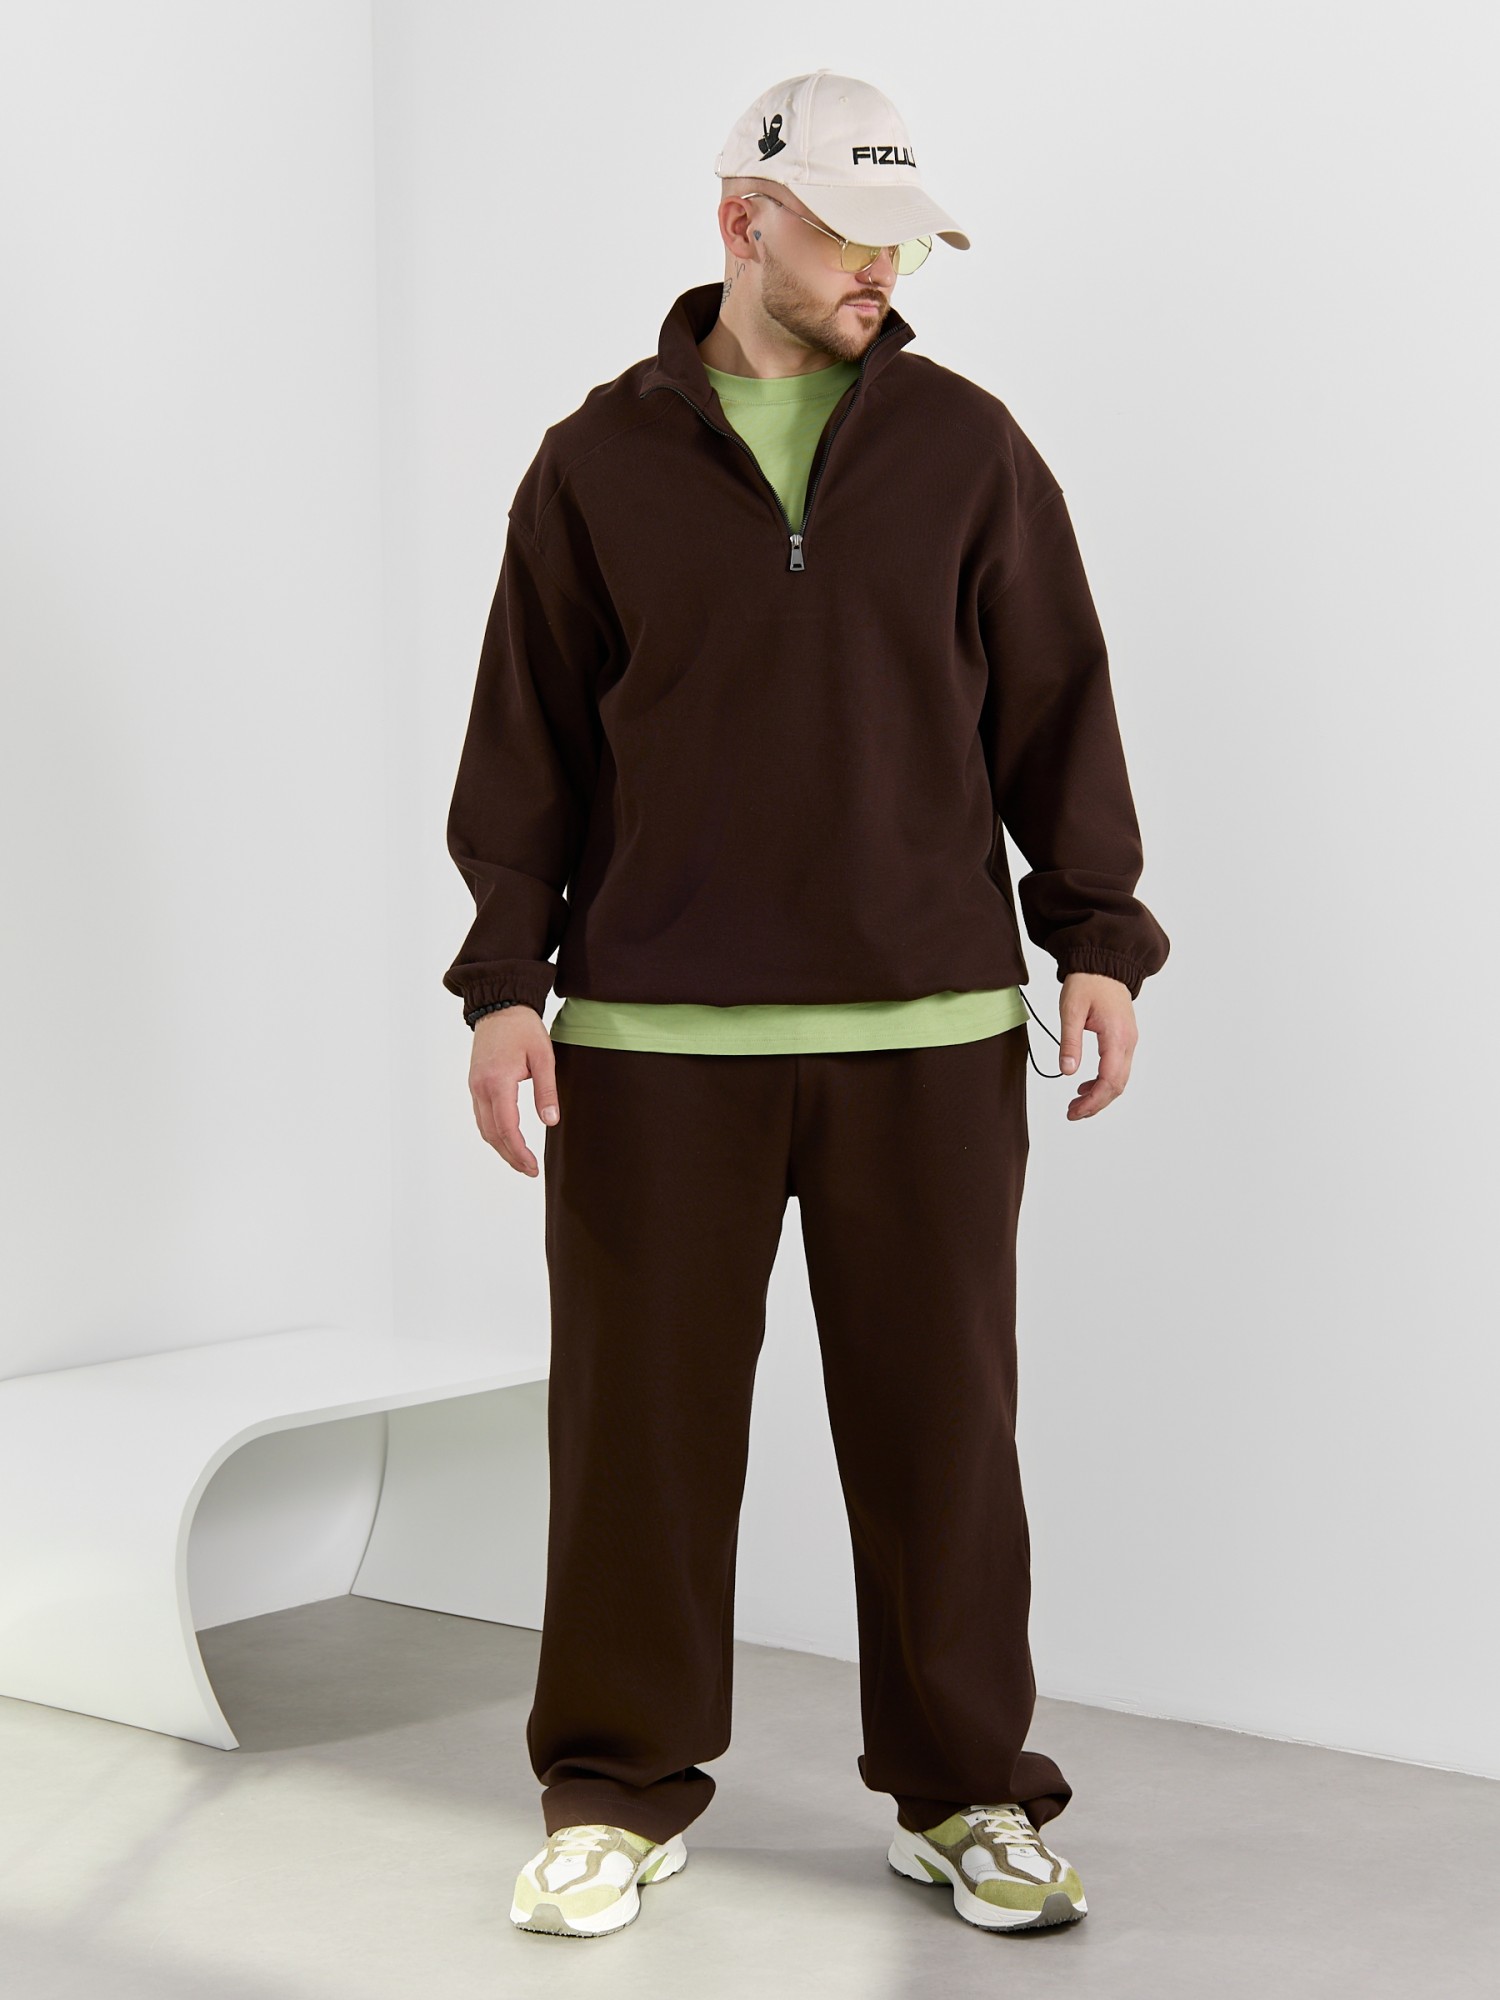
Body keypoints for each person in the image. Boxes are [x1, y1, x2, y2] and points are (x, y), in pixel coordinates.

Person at [442, 68, 1170, 1941]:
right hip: (651, 1044)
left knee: (944, 1439)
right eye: (852, 233)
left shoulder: (967, 448)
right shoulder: (594, 461)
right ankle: (613, 1790)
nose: (884, 270)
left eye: (906, 240)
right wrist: (503, 983)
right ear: (742, 222)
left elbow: (1056, 706)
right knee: (637, 1443)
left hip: (926, 1038)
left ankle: (967, 1792)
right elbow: (526, 742)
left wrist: (1097, 934)